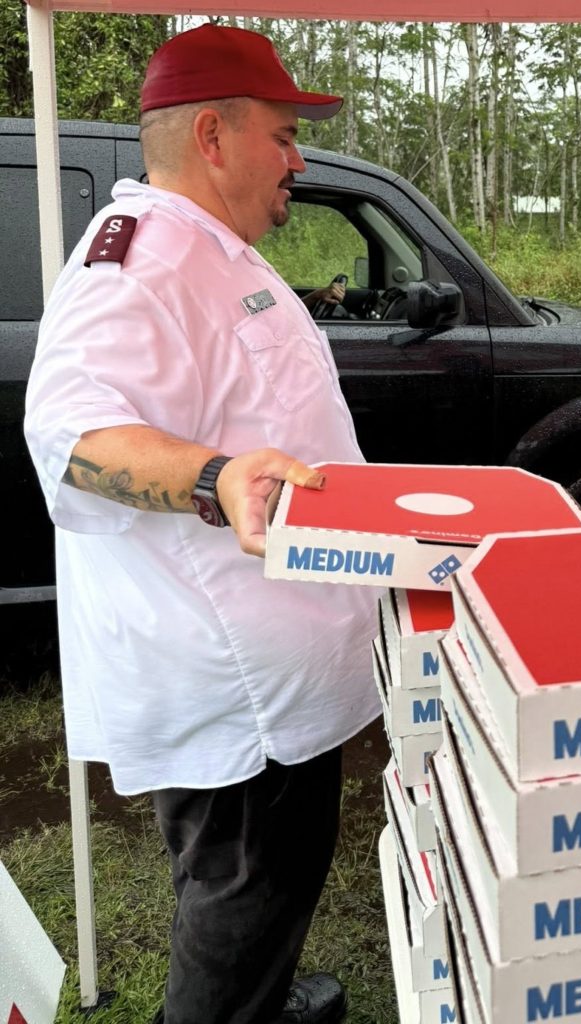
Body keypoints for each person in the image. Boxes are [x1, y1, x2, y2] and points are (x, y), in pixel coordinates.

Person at [24, 24, 380, 1024]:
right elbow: (68, 432)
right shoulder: (139, 261)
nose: (298, 161)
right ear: (214, 136)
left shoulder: (210, 249)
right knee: (244, 890)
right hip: (234, 689)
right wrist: (214, 476)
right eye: (284, 135)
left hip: (277, 661)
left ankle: (261, 999)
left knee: (266, 883)